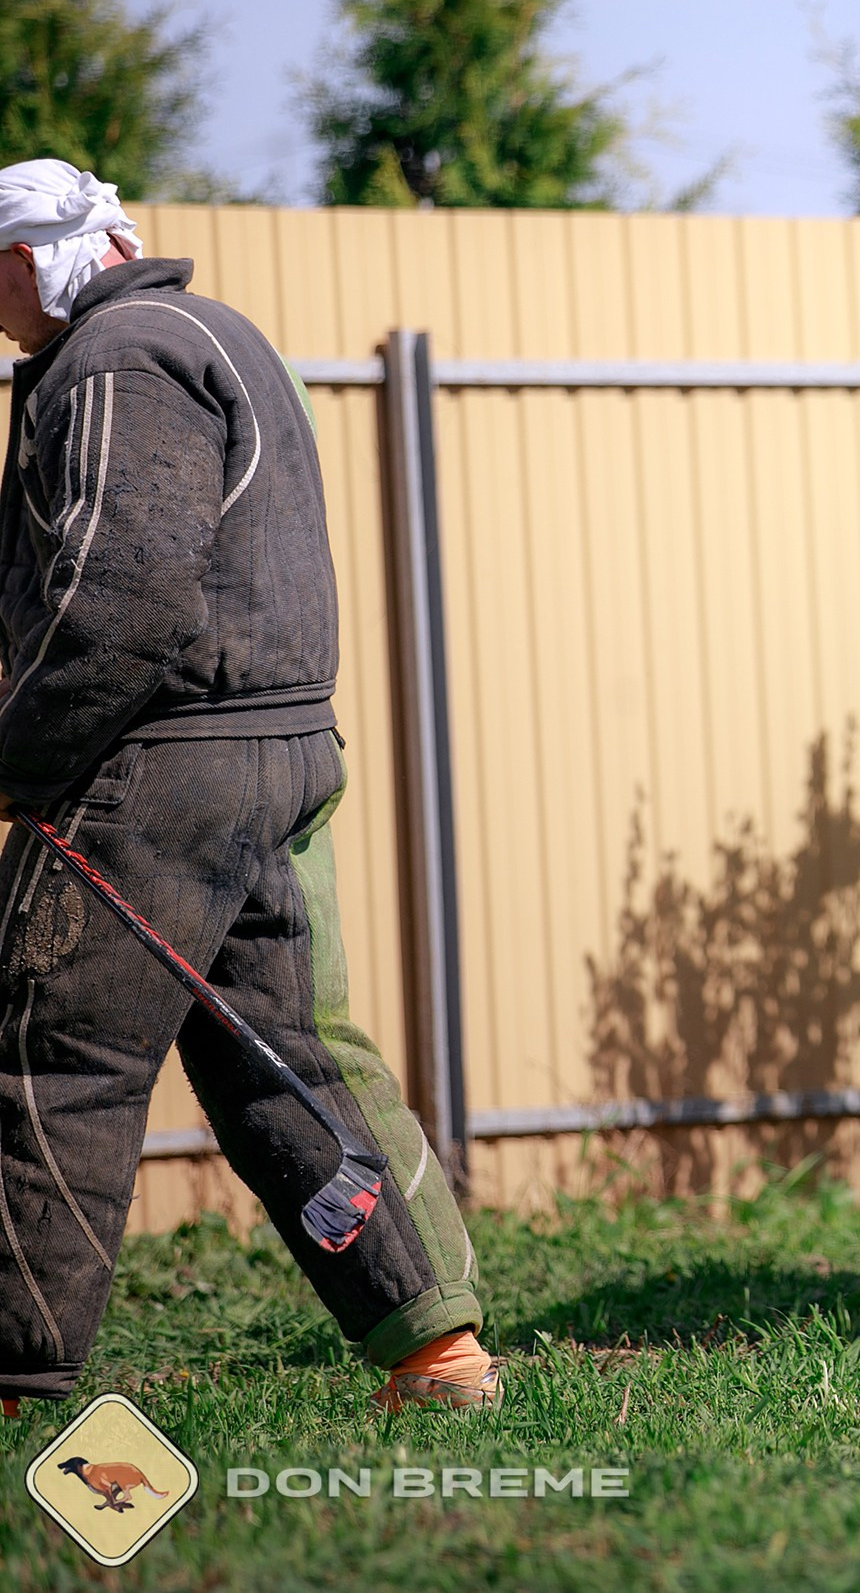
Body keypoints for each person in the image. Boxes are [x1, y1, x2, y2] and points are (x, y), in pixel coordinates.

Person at [0, 160, 491, 1417]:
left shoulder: (117, 359)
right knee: (294, 1061)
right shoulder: (219, 334)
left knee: (46, 1052)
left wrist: (16, 756)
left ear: (40, 254)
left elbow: (112, 598)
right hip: (272, 755)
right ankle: (437, 1352)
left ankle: (14, 1379)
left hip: (158, 768)